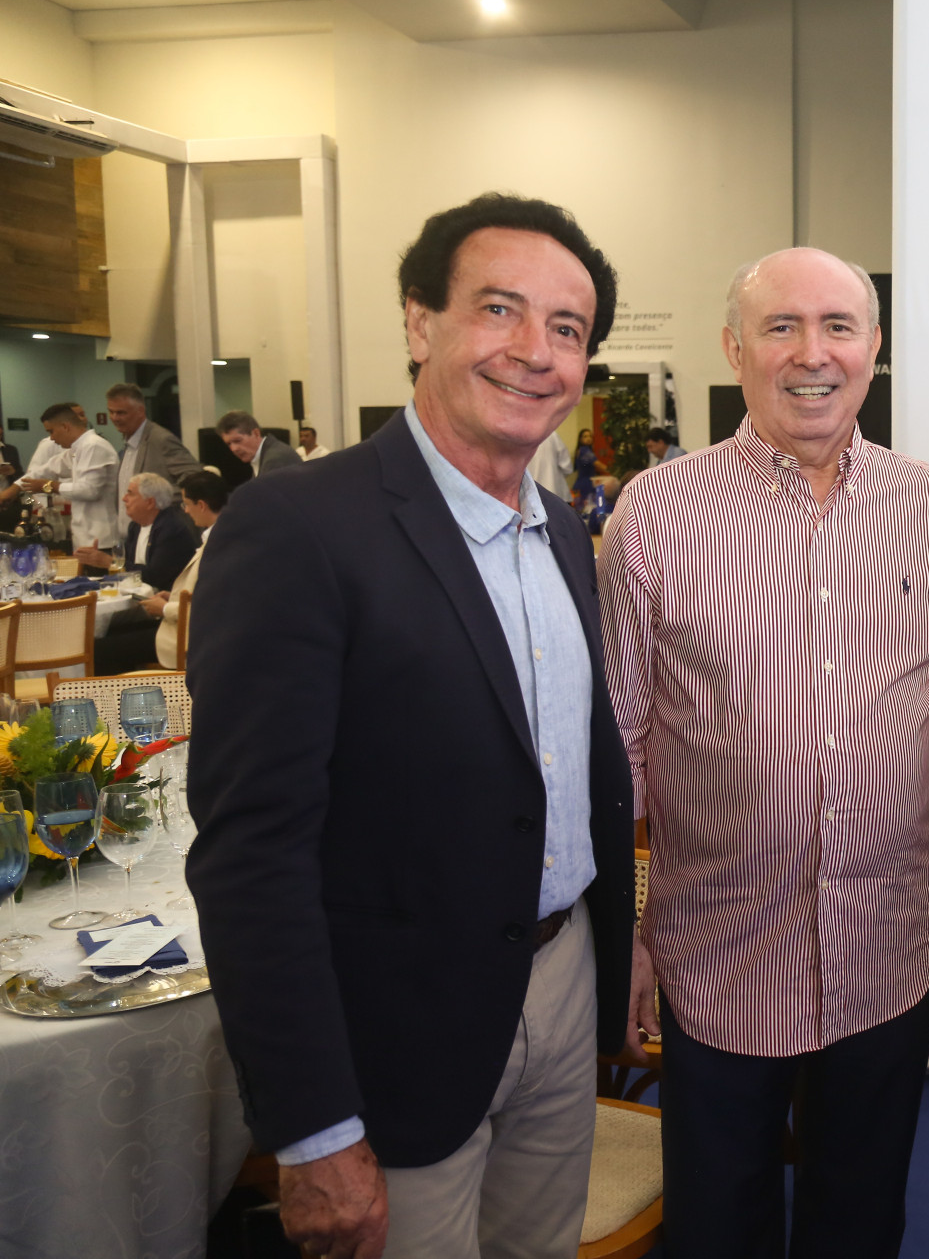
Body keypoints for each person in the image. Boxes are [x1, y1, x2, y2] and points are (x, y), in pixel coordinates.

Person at [186, 192, 636, 1259]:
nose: (534, 352)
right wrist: (314, 1126)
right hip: (397, 1035)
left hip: (562, 988)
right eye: (498, 309)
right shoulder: (298, 528)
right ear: (418, 320)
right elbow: (254, 852)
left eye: (566, 329)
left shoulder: (565, 534)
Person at [600, 246, 929, 1259]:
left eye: (838, 327)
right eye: (781, 327)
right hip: (719, 948)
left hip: (889, 942)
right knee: (719, 1221)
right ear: (736, 347)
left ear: (874, 347)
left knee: (859, 1216)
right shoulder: (654, 515)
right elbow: (623, 737)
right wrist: (626, 933)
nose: (812, 354)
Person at [92, 473, 200, 674]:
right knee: (102, 634)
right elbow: (131, 567)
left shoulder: (172, 528)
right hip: (148, 604)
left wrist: (110, 562)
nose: (124, 499)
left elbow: (154, 575)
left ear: (150, 502)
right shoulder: (136, 527)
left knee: (101, 647)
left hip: (168, 615)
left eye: (130, 493)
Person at [19, 401, 119, 568]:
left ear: (65, 426)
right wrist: (11, 491)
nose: (51, 438)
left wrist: (48, 486)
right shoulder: (77, 449)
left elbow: (89, 490)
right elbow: (47, 469)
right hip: (85, 537)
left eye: (51, 431)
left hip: (101, 539)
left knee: (102, 590)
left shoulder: (93, 445)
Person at [148, 469, 226, 669]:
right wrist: (173, 598)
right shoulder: (217, 536)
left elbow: (211, 606)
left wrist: (164, 608)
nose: (185, 510)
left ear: (201, 505)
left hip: (190, 639)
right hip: (187, 628)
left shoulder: (220, 543)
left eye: (186, 504)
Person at [105, 383, 200, 544]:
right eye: (111, 412)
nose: (115, 418)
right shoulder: (128, 443)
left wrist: (157, 498)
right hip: (133, 538)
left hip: (161, 537)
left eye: (121, 412)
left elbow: (196, 479)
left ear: (140, 411)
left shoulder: (160, 439)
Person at [216, 411, 301, 477]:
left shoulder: (275, 459)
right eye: (228, 444)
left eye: (238, 441)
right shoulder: (264, 455)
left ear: (256, 433)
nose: (234, 449)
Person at [528, 427, 574, 498]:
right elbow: (567, 467)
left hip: (530, 495)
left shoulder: (517, 438)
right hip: (554, 491)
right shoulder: (551, 435)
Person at [570, 428, 598, 509]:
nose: (588, 438)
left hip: (578, 486)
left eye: (590, 436)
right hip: (586, 486)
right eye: (585, 436)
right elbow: (597, 464)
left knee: (578, 512)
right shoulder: (584, 450)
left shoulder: (582, 450)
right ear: (580, 439)